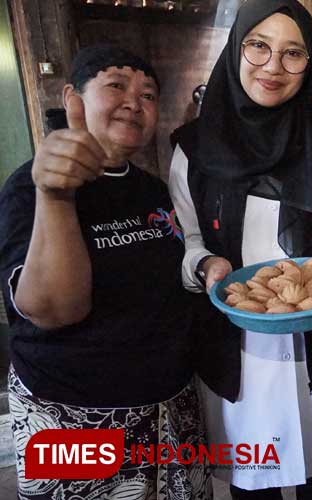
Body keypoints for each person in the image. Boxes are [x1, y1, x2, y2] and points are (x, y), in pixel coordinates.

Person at [168, 1, 312, 498]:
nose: (274, 67)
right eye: (258, 46)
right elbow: (188, 240)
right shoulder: (193, 147)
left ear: (309, 63)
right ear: (235, 49)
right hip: (236, 346)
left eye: (293, 53)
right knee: (253, 477)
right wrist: (208, 264)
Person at [0, 45, 211, 499]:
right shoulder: (26, 188)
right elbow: (54, 309)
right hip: (74, 420)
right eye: (116, 85)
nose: (135, 102)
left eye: (149, 94)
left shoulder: (153, 190)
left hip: (169, 412)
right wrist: (54, 196)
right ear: (73, 99)